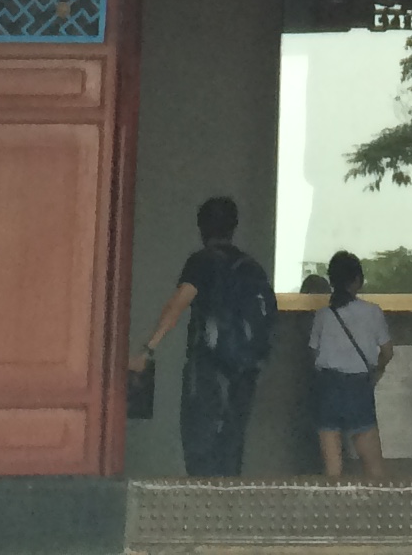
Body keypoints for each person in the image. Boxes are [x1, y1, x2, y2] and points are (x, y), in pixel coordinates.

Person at [136, 196, 276, 477]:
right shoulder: (253, 267)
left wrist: (147, 350)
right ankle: (228, 501)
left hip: (208, 368)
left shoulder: (202, 261)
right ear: (234, 227)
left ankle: (201, 499)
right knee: (232, 442)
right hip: (245, 371)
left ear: (202, 228)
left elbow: (177, 306)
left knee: (200, 440)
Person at [310, 250, 394, 479]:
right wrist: (377, 372)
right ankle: (376, 502)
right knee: (374, 470)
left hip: (328, 387)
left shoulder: (322, 315)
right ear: (357, 280)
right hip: (358, 387)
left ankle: (333, 503)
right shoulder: (372, 312)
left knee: (333, 472)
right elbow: (387, 351)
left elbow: (314, 354)